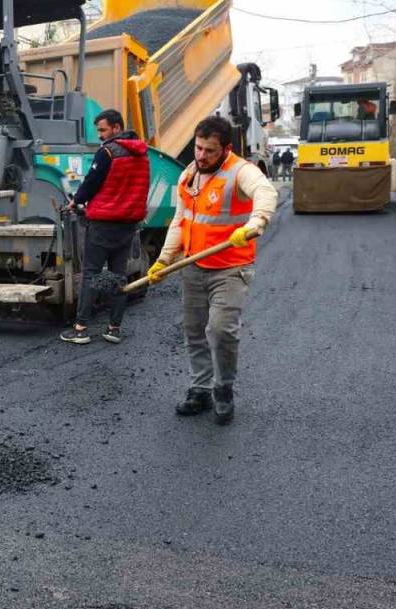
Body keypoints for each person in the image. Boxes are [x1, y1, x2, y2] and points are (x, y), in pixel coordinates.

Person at [147, 116, 277, 425]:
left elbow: (266, 192)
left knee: (220, 330)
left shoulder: (240, 172)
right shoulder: (188, 176)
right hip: (193, 266)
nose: (201, 156)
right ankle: (200, 389)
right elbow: (181, 221)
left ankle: (223, 389)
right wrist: (164, 260)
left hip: (230, 268)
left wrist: (256, 222)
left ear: (226, 149)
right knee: (194, 331)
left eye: (210, 151)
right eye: (198, 147)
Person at [59, 109, 150, 345]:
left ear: (117, 128)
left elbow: (91, 182)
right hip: (128, 223)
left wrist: (76, 201)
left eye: (103, 130)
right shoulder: (142, 153)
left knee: (91, 273)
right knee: (119, 275)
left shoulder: (108, 151)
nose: (100, 135)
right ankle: (114, 328)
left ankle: (81, 329)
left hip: (103, 223)